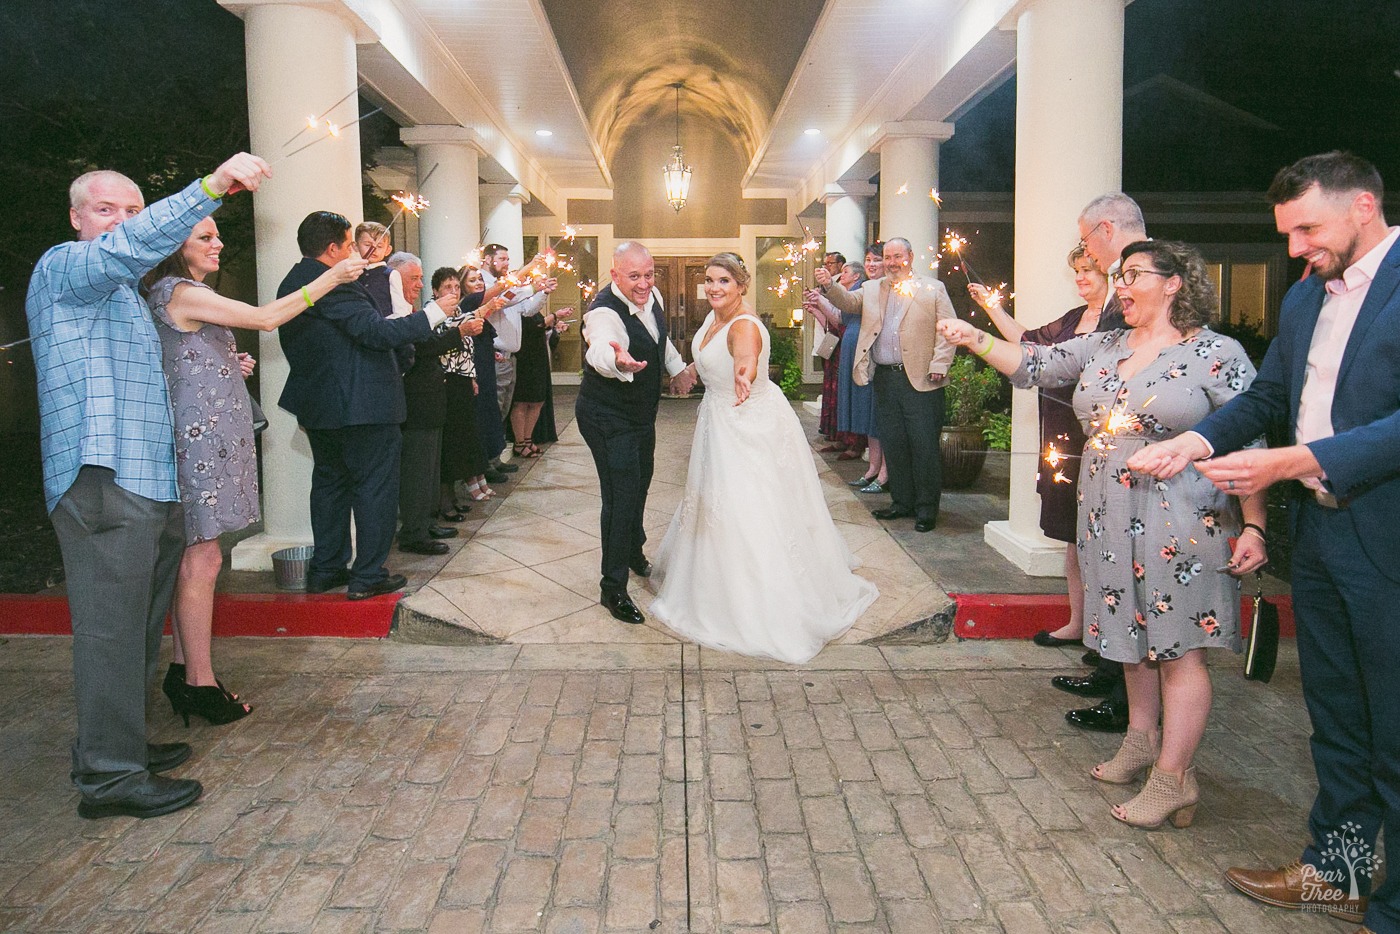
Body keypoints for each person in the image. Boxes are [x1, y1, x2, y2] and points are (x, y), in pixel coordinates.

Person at [1129, 152, 1400, 929]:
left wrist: (1300, 460)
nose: (1295, 250)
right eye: (1287, 233)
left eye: (1307, 228)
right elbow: (1273, 395)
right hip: (1319, 535)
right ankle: (1338, 877)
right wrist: (1198, 444)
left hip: (1387, 535)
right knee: (1339, 721)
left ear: (1364, 206)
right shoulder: (1309, 296)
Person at [940, 239, 1268, 828]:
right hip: (1107, 512)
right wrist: (975, 338)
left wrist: (1256, 525)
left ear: (1174, 283)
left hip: (1185, 519)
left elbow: (1252, 442)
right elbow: (1035, 364)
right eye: (1121, 274)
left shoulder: (1216, 353)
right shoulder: (1105, 344)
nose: (1121, 285)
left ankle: (1175, 778)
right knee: (1124, 632)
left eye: (1135, 275)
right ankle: (1141, 742)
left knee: (1178, 647)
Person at [27, 153, 270, 819]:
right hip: (102, 477)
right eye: (105, 209)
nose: (121, 223)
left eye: (132, 211)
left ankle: (120, 744)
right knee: (110, 630)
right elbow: (130, 249)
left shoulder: (130, 296)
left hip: (148, 479)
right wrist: (213, 188)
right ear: (76, 218)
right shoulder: (66, 267)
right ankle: (108, 778)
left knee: (134, 627)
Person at [141, 216, 363, 724]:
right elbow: (265, 319)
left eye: (218, 233)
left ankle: (185, 669)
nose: (219, 243)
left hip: (212, 440)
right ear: (175, 246)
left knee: (202, 556)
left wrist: (225, 363)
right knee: (203, 560)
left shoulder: (185, 293)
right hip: (198, 445)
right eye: (206, 237)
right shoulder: (176, 290)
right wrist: (329, 277)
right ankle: (197, 680)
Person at [649, 253, 879, 663]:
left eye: (724, 281)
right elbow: (706, 360)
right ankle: (716, 581)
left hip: (747, 426)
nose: (714, 288)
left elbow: (745, 360)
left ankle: (761, 600)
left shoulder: (743, 327)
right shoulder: (713, 318)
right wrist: (686, 372)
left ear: (741, 285)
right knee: (720, 504)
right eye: (710, 280)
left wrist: (744, 375)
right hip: (719, 422)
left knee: (750, 507)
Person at [276, 211, 453, 600]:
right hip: (362, 405)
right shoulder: (333, 284)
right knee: (374, 489)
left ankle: (326, 569)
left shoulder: (291, 281)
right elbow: (375, 332)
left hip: (321, 406)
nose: (357, 252)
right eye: (350, 244)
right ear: (334, 248)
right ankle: (367, 575)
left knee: (330, 486)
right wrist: (436, 312)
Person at [967, 246, 1111, 650]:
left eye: (1090, 271)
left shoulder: (1120, 322)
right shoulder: (1072, 319)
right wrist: (990, 307)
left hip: (1096, 437)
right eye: (1078, 271)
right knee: (1071, 534)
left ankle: (1107, 638)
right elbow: (1029, 344)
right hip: (1062, 434)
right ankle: (1078, 622)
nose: (1082, 278)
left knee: (1102, 536)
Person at [1054, 192, 1150, 732]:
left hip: (1139, 462)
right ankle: (1108, 668)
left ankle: (1126, 701)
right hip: (1107, 461)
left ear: (1106, 230)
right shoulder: (1127, 281)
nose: (1085, 252)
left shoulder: (1142, 279)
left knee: (1132, 582)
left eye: (1087, 238)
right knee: (1106, 569)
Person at [576, 241, 696, 624]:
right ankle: (612, 588)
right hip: (606, 415)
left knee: (641, 482)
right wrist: (616, 359)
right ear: (614, 275)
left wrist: (676, 369)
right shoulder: (602, 313)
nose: (644, 284)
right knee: (620, 495)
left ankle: (632, 551)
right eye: (634, 276)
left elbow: (659, 342)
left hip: (641, 414)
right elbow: (599, 346)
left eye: (648, 274)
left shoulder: (653, 295)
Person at [815, 237, 957, 532]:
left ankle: (926, 510)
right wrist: (830, 285)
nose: (892, 262)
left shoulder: (932, 289)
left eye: (897, 256)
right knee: (894, 444)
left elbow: (948, 330)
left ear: (911, 256)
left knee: (923, 446)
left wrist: (940, 365)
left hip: (921, 380)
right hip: (885, 379)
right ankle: (901, 503)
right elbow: (846, 302)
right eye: (887, 257)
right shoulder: (870, 288)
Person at [387, 251, 470, 556]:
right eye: (414, 278)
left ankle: (427, 521)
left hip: (431, 398)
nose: (419, 284)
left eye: (421, 278)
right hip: (415, 402)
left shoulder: (412, 308)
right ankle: (414, 531)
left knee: (430, 469)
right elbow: (423, 347)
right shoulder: (397, 311)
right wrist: (457, 332)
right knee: (417, 471)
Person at [509, 282, 567, 458]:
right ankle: (519, 443)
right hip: (525, 357)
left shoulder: (532, 307)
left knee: (537, 401)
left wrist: (553, 325)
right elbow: (530, 328)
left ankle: (528, 439)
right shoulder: (516, 306)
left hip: (538, 356)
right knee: (522, 401)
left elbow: (540, 326)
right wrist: (553, 317)